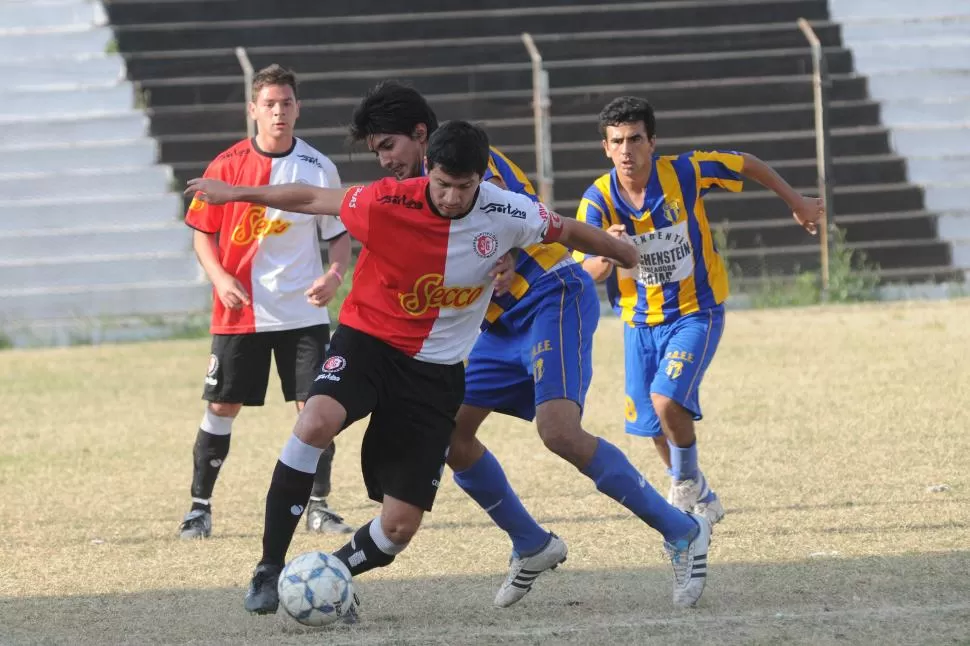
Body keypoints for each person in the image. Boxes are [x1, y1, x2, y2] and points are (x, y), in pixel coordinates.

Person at [185, 120, 663, 619]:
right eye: (443, 184)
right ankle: (268, 566)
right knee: (315, 422)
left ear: (482, 178)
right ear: (428, 169)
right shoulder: (387, 200)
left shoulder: (505, 210)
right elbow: (311, 198)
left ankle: (332, 573)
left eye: (465, 186)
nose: (454, 197)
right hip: (369, 342)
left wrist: (624, 250)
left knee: (398, 527)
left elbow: (566, 228)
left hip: (435, 372)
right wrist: (237, 192)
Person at [347, 81, 711, 609]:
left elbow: (522, 215)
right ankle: (531, 543)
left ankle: (683, 531)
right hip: (494, 326)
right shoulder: (416, 191)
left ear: (419, 136)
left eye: (388, 148)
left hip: (549, 296)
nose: (384, 161)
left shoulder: (470, 161)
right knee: (452, 435)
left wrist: (511, 259)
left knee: (558, 432)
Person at [574, 96, 824, 523]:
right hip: (638, 323)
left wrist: (795, 200)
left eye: (636, 139)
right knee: (652, 426)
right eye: (617, 141)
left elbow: (745, 162)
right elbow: (588, 271)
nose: (627, 150)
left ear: (653, 142)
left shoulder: (685, 172)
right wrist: (610, 252)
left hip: (696, 310)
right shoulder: (598, 201)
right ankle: (700, 492)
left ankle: (684, 490)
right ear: (606, 147)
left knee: (667, 402)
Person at [178, 64, 352, 539]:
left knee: (316, 409)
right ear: (253, 110)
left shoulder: (318, 167)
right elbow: (202, 237)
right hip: (240, 313)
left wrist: (335, 275)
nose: (278, 112)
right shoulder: (226, 167)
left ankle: (319, 505)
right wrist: (220, 279)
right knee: (222, 408)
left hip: (304, 314)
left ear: (298, 108)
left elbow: (338, 238)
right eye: (269, 104)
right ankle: (199, 507)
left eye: (286, 103)